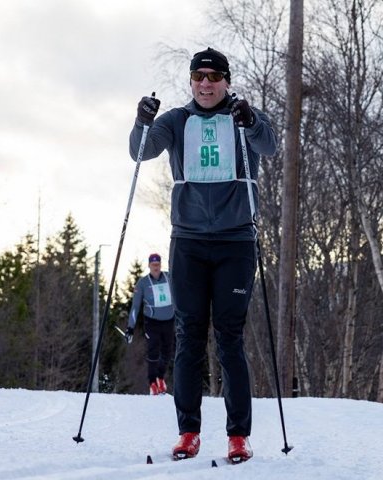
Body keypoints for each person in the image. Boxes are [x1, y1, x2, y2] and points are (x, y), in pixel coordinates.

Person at [128, 48, 277, 463]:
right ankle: (188, 432)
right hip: (189, 242)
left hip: (235, 243)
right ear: (191, 81)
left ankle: (238, 436)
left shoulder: (243, 115)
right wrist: (141, 119)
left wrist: (253, 121)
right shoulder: (176, 120)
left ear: (226, 81)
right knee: (188, 337)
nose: (206, 84)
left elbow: (269, 146)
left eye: (214, 77)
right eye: (199, 77)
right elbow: (140, 152)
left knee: (229, 338)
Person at [125, 253, 175, 395]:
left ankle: (160, 377)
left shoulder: (169, 277)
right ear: (149, 266)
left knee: (167, 352)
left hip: (169, 320)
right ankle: (152, 382)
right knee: (153, 350)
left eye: (158, 265)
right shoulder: (143, 283)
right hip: (152, 322)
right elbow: (135, 307)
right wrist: (130, 328)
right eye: (153, 265)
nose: (156, 268)